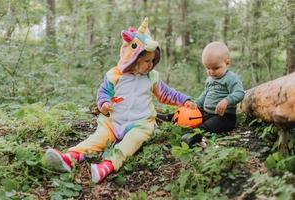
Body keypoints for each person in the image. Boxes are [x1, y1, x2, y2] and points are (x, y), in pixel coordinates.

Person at [45, 17, 196, 183]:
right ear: (133, 57)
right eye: (146, 61)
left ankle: (107, 166)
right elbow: (103, 92)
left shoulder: (151, 77)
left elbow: (167, 93)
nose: (150, 65)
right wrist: (103, 104)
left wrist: (184, 100)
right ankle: (69, 157)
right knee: (98, 138)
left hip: (140, 124)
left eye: (153, 61)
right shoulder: (115, 75)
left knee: (130, 143)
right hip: (114, 122)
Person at [157, 41, 245, 147]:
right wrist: (197, 104)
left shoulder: (231, 78)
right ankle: (170, 117)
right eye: (208, 68)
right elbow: (205, 93)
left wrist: (226, 100)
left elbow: (239, 93)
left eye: (215, 68)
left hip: (224, 117)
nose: (211, 72)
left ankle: (193, 136)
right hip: (207, 113)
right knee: (189, 112)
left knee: (209, 125)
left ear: (227, 63)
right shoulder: (210, 79)